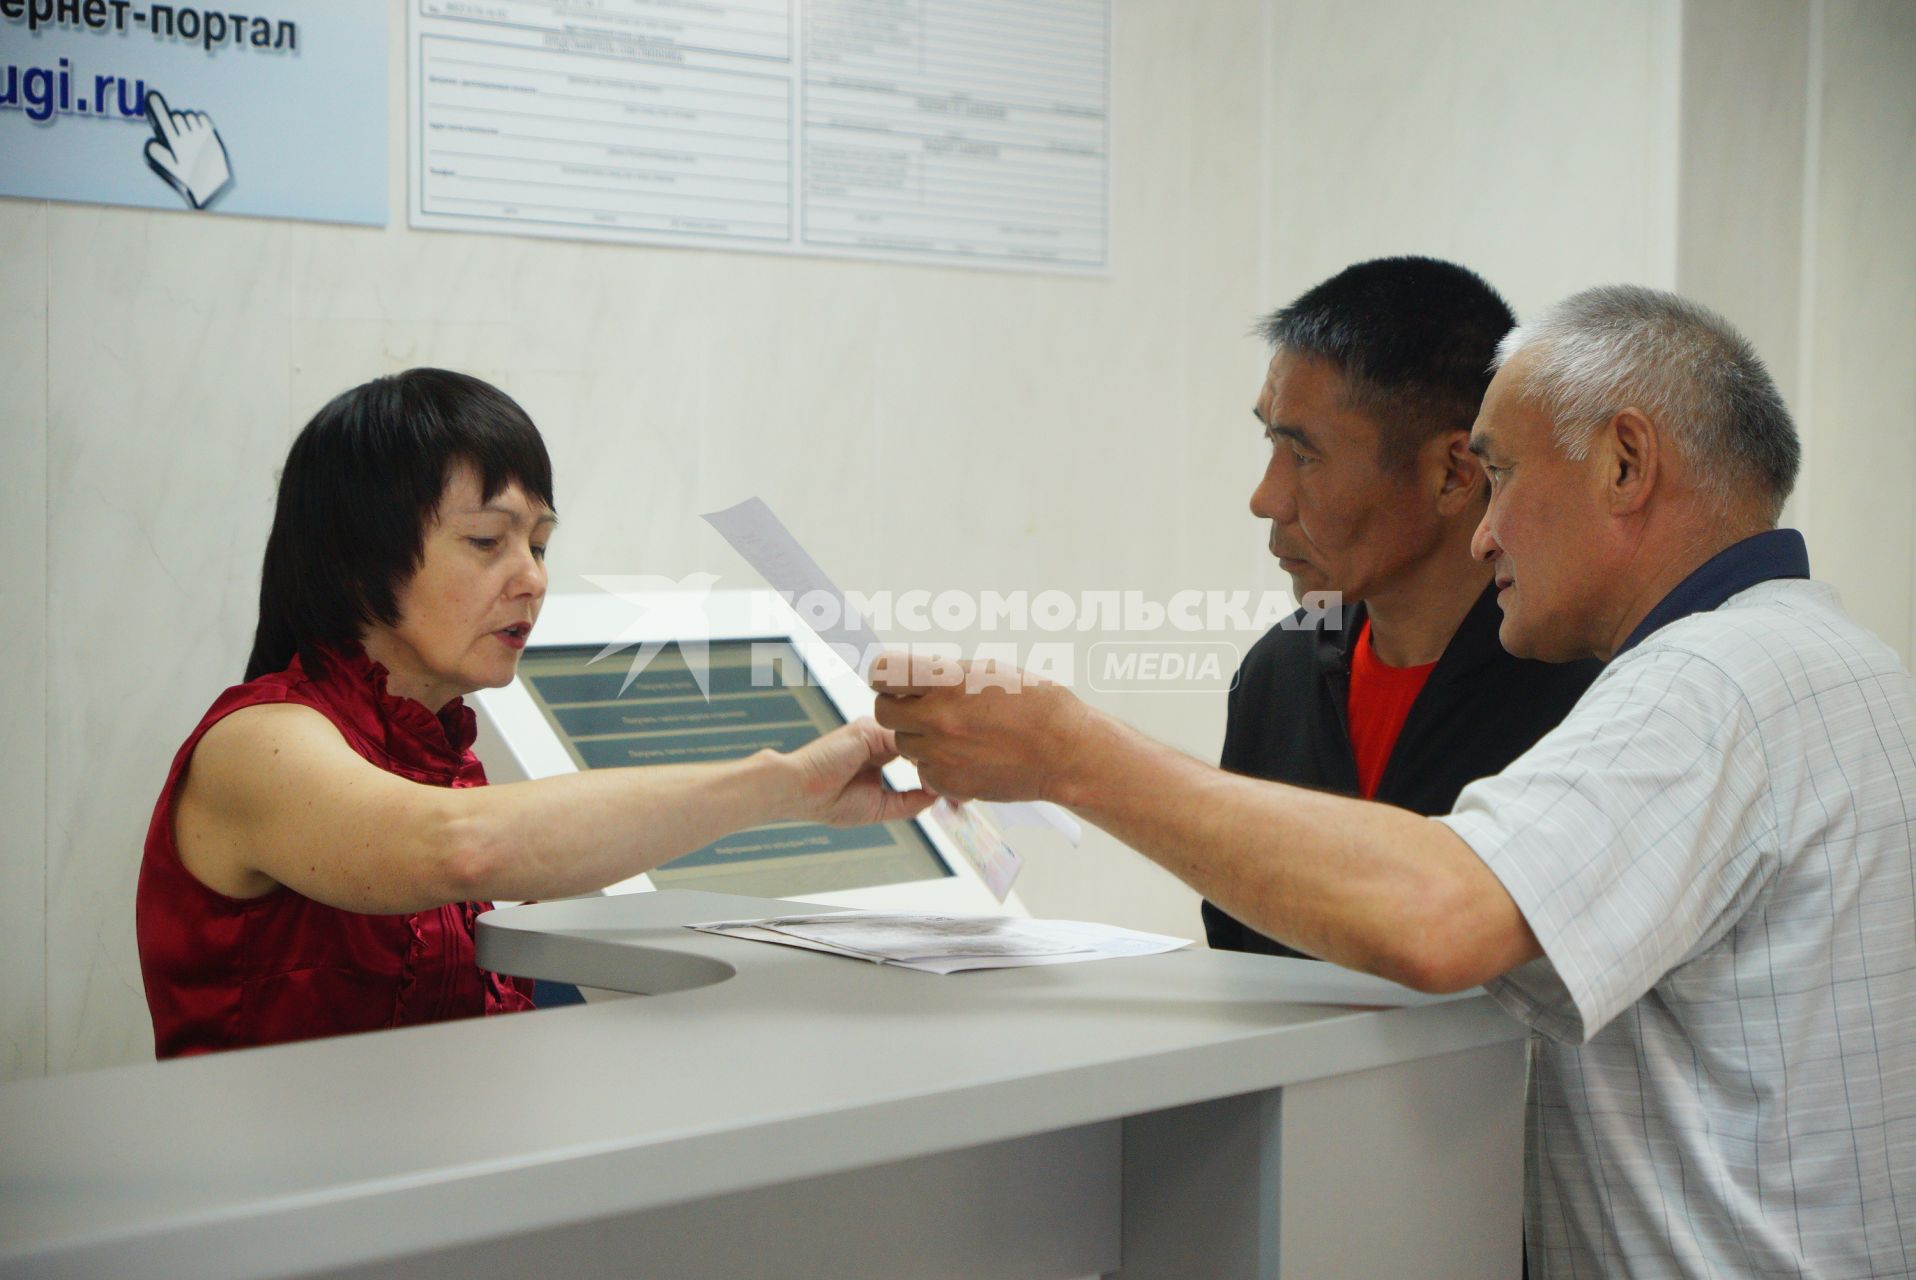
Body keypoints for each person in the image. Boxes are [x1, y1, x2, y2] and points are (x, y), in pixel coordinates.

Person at [872, 286, 1916, 1275]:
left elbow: (1437, 913)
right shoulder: (1840, 662)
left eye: (1500, 473)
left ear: (1622, 462)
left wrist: (1067, 753)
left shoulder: (1705, 679)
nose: (1483, 529)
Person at [138, 369, 929, 1058]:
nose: (532, 579)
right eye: (488, 541)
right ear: (357, 557)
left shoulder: (444, 753)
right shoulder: (259, 741)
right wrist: (783, 787)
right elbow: (462, 849)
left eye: (540, 546)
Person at [1210, 256, 1598, 957]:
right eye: (1271, 440)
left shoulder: (1581, 694)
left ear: (1454, 473)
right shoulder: (1279, 674)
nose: (1266, 498)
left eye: (1302, 455)